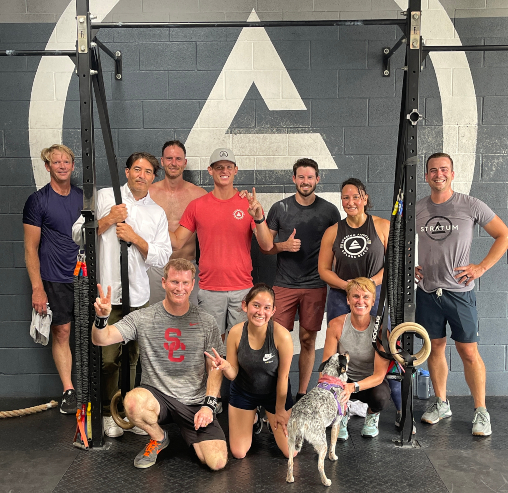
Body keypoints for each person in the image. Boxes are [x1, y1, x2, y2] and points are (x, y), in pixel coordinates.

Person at [91, 259, 228, 471]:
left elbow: (216, 368)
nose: (179, 288)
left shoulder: (206, 321)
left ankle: (190, 432)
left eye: (185, 283)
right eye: (174, 282)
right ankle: (159, 437)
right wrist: (102, 319)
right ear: (164, 282)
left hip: (193, 401)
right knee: (133, 402)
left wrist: (208, 406)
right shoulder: (144, 317)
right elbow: (101, 338)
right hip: (158, 397)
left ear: (192, 284)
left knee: (216, 462)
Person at [73, 152, 172, 437]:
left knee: (133, 358)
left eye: (148, 171)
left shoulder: (156, 212)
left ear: (154, 177)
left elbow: (163, 256)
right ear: (127, 172)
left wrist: (135, 238)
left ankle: (130, 413)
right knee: (107, 359)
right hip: (107, 297)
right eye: (137, 169)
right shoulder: (105, 197)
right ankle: (109, 412)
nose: (142, 175)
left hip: (138, 297)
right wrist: (108, 219)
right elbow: (77, 234)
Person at [415, 152, 508, 436]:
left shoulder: (470, 204)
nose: (439, 174)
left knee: (468, 351)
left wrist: (481, 267)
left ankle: (481, 411)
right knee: (434, 347)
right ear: (426, 176)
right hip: (428, 292)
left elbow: (503, 235)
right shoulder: (418, 208)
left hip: (459, 292)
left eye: (444, 169)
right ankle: (441, 402)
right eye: (433, 170)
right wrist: (411, 266)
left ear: (452, 174)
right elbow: (399, 241)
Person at [170, 148, 274, 338]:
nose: (224, 171)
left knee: (240, 343)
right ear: (210, 170)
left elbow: (267, 245)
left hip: (242, 288)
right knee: (212, 344)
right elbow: (177, 241)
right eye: (219, 167)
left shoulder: (248, 204)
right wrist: (150, 224)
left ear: (235, 170)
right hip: (210, 288)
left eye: (228, 167)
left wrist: (259, 218)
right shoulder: (197, 205)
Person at [265, 158, 340, 401]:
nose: (305, 181)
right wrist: (283, 246)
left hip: (315, 285)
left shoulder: (330, 211)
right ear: (294, 179)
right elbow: (266, 246)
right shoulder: (279, 208)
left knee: (308, 340)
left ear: (317, 179)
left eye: (310, 177)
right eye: (301, 177)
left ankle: (301, 394)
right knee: (277, 340)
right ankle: (280, 392)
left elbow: (338, 248)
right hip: (284, 283)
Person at [23, 144, 83, 414]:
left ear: (73, 165)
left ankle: (92, 390)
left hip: (83, 278)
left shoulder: (83, 198)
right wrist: (37, 288)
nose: (62, 166)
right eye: (56, 162)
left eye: (66, 161)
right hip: (54, 278)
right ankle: (69, 390)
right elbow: (30, 249)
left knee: (91, 334)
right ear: (47, 166)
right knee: (62, 332)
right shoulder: (37, 201)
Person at [205, 284, 294, 458]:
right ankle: (254, 418)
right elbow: (233, 374)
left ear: (273, 311)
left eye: (267, 307)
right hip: (244, 392)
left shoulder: (282, 335)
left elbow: (283, 377)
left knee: (290, 452)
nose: (261, 312)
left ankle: (269, 418)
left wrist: (280, 410)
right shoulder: (236, 333)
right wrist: (225, 366)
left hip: (274, 394)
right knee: (238, 453)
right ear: (245, 305)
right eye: (256, 305)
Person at [322, 277, 391, 438]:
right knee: (326, 388)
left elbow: (379, 375)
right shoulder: (336, 325)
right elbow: (326, 366)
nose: (360, 301)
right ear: (348, 300)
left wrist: (353, 387)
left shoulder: (381, 331)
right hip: (343, 380)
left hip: (368, 383)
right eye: (355, 296)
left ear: (373, 302)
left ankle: (372, 416)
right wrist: (331, 388)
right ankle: (342, 413)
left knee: (381, 397)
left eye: (366, 297)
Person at [318, 177, 390, 322]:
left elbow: (393, 264)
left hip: (374, 293)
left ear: (365, 199)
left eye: (356, 197)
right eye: (346, 198)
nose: (350, 202)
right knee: (338, 335)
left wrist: (370, 283)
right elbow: (323, 270)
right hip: (341, 295)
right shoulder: (332, 232)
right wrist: (348, 286)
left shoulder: (383, 226)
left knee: (379, 336)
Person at [148, 140, 207, 305]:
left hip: (188, 266)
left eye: (178, 159)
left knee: (189, 317)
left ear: (185, 162)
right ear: (162, 161)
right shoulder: (149, 193)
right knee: (155, 316)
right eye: (169, 158)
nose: (173, 163)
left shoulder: (199, 195)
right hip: (157, 267)